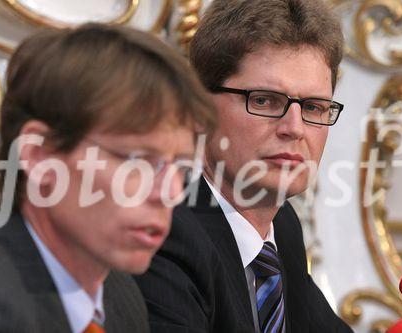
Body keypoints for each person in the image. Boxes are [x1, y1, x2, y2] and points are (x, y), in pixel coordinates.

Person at [0, 23, 216, 333]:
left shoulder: (120, 293)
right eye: (139, 161)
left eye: (181, 167)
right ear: (39, 155)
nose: (170, 192)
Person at [135, 0, 354, 332]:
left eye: (313, 107)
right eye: (264, 100)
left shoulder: (282, 226)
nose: (294, 128)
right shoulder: (165, 229)